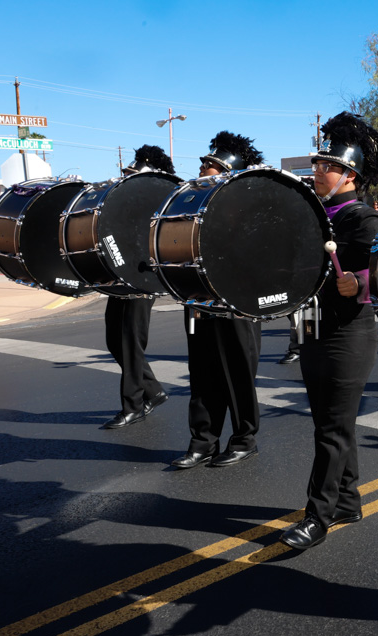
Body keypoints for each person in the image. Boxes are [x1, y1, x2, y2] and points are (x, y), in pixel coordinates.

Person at [280, 112, 378, 551]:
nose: (317, 172)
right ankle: (348, 499)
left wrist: (359, 282)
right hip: (313, 329)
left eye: (326, 167)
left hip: (349, 335)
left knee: (332, 427)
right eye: (317, 165)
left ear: (349, 175)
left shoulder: (364, 221)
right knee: (331, 422)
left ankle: (317, 516)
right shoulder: (313, 214)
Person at [171, 132, 264, 469]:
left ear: (227, 172)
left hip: (236, 303)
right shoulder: (189, 204)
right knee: (202, 372)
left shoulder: (247, 208)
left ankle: (244, 439)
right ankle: (203, 441)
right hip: (198, 300)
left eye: (209, 165)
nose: (202, 168)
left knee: (237, 372)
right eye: (204, 163)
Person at [101, 145, 171, 429]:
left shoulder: (160, 202)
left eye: (133, 173)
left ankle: (133, 406)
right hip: (120, 276)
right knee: (113, 340)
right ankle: (153, 392)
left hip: (143, 279)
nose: (127, 177)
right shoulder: (125, 203)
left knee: (131, 343)